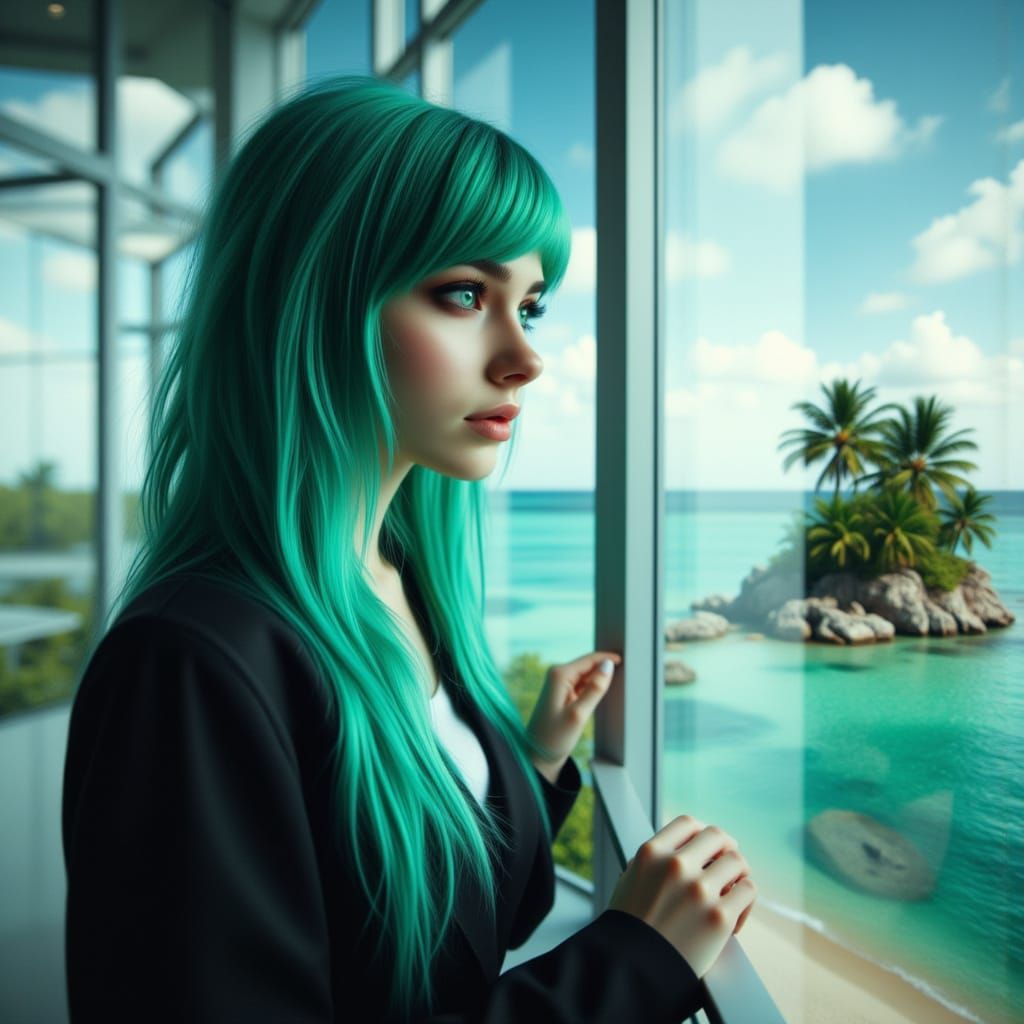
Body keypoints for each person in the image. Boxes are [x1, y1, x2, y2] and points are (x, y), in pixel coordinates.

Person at [61, 74, 757, 1023]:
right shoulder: (189, 666)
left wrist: (534, 759)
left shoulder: (399, 582)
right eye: (465, 294)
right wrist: (632, 963)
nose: (526, 357)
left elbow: (462, 918)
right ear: (311, 298)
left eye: (531, 306)